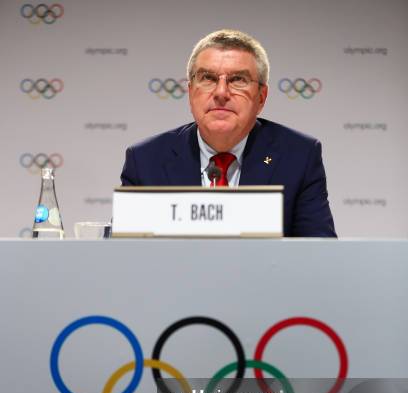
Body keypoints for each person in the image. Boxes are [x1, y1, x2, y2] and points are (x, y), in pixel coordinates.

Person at [121, 29, 336, 237]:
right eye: (208, 78)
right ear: (190, 92)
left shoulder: (299, 157)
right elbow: (125, 260)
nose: (221, 93)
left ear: (261, 97)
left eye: (237, 80)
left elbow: (319, 258)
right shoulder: (145, 161)